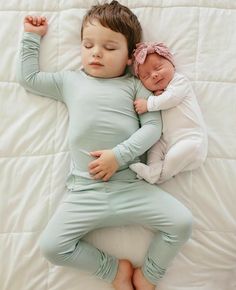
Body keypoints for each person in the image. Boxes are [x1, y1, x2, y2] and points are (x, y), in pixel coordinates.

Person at [17, 2, 193, 290]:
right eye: (88, 45)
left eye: (110, 48)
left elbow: (153, 127)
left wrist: (118, 155)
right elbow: (29, 79)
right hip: (86, 191)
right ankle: (114, 271)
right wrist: (31, 36)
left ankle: (148, 275)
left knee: (182, 223)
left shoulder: (135, 86)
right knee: (51, 247)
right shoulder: (70, 81)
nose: (96, 52)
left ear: (129, 56)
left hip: (130, 187)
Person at [130, 42, 208, 184]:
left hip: (191, 140)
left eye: (158, 68)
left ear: (172, 64)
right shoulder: (156, 94)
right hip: (168, 140)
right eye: (146, 76)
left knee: (173, 157)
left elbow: (172, 99)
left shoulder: (179, 81)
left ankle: (158, 176)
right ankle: (153, 168)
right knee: (154, 147)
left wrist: (148, 104)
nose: (154, 75)